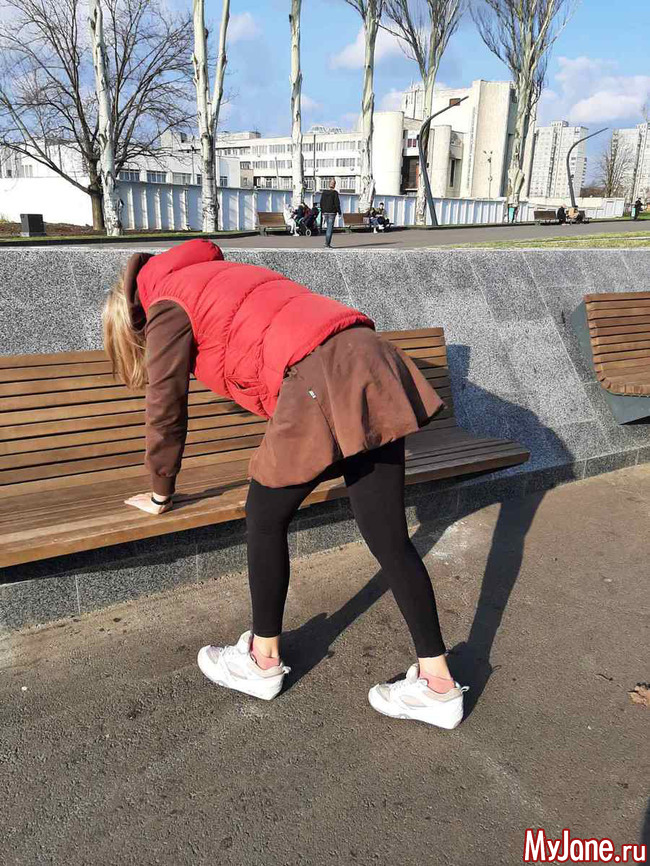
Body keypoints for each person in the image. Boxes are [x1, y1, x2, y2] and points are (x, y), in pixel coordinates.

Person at [102, 239, 468, 729]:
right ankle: (438, 685)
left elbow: (165, 406)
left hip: (321, 377)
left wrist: (160, 490)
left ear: (133, 321)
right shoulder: (212, 273)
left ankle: (261, 660)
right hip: (369, 356)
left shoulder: (166, 304)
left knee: (264, 517)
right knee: (388, 536)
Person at [318, 179, 341, 248]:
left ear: (329, 184)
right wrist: (339, 212)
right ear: (334, 185)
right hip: (332, 212)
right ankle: (327, 244)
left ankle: (327, 243)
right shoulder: (335, 193)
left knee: (328, 227)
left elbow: (321, 202)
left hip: (325, 212)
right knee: (329, 228)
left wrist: (322, 211)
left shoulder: (324, 192)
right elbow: (337, 203)